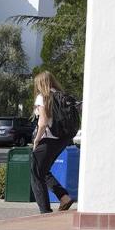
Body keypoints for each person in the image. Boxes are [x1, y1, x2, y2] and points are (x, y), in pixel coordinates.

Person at [30, 71, 74, 214]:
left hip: (48, 139)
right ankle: (64, 197)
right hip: (62, 139)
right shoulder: (60, 95)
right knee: (43, 170)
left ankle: (44, 211)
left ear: (40, 84)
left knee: (36, 174)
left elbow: (42, 122)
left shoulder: (42, 97)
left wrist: (36, 140)